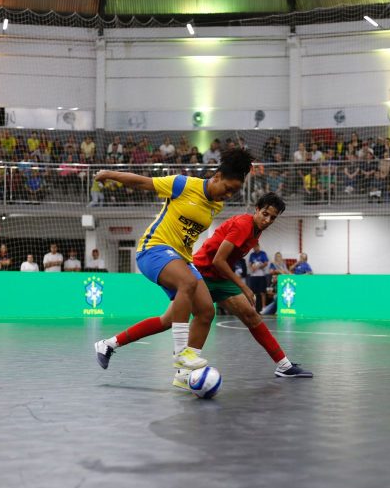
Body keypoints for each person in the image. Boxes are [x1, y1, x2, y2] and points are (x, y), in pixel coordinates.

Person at [92, 148, 254, 377]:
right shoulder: (183, 184)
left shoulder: (216, 204)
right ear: (217, 176)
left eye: (234, 193)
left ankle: (177, 374)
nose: (228, 195)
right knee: (187, 282)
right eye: (228, 189)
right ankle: (181, 355)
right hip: (153, 249)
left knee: (205, 312)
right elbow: (143, 183)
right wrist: (110, 174)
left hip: (181, 259)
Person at [247, 243, 269, 312]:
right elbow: (250, 264)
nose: (255, 248)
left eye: (256, 246)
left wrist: (259, 266)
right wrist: (252, 268)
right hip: (253, 276)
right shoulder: (252, 255)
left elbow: (266, 263)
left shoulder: (263, 253)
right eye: (253, 247)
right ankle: (253, 307)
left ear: (258, 246)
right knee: (253, 293)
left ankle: (263, 307)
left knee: (262, 292)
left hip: (261, 275)